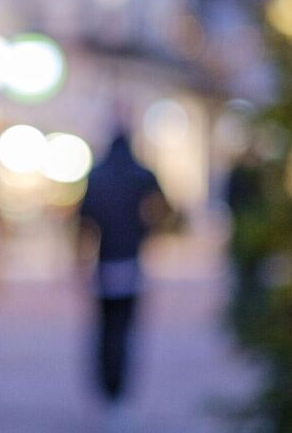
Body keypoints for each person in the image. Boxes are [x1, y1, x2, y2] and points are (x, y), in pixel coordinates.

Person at [78, 132, 172, 411]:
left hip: (104, 262)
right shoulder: (141, 175)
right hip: (130, 261)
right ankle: (117, 387)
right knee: (124, 328)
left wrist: (79, 261)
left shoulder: (97, 176)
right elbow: (166, 210)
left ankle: (107, 385)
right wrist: (145, 229)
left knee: (105, 328)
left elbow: (83, 224)